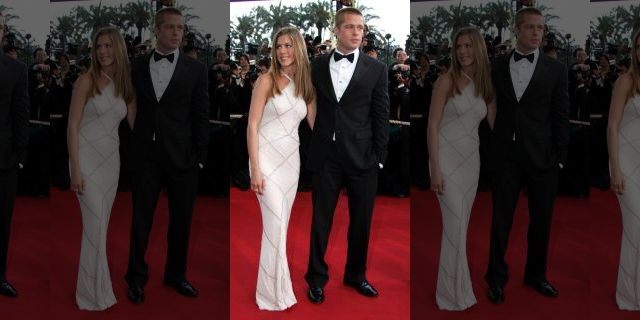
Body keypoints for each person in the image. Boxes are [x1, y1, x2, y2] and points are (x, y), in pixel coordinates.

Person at [304, 7, 389, 304]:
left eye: (361, 28)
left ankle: (356, 275)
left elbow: (381, 113)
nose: (357, 33)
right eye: (350, 27)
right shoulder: (315, 65)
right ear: (337, 30)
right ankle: (316, 278)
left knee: (362, 222)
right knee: (320, 221)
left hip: (363, 157)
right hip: (326, 155)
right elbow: (306, 103)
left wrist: (379, 156)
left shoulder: (376, 69)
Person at [125, 7, 210, 303]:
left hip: (183, 157)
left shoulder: (196, 69)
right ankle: (135, 278)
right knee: (140, 220)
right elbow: (128, 103)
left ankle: (176, 275)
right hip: (145, 156)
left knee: (182, 222)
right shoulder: (136, 65)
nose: (177, 33)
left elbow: (202, 114)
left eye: (180, 28)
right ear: (157, 30)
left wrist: (199, 156)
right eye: (171, 27)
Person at [485, 7, 569, 304]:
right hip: (506, 156)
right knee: (500, 220)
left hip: (543, 158)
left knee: (541, 222)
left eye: (540, 28)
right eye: (530, 27)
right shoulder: (496, 65)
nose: (537, 33)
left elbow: (561, 114)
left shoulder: (556, 69)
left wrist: (559, 156)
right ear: (517, 30)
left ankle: (536, 275)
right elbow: (489, 104)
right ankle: (495, 278)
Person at [247, 26, 316, 311]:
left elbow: (318, 127)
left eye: (288, 45)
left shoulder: (307, 86)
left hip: (291, 163)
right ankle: (270, 293)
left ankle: (279, 289)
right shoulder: (266, 80)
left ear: (298, 48)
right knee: (274, 224)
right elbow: (251, 125)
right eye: (278, 46)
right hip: (265, 159)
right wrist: (255, 168)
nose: (283, 51)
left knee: (280, 228)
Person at [67, 27, 135, 310]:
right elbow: (72, 125)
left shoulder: (127, 85)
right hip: (85, 161)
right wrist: (75, 169)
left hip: (111, 163)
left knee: (100, 229)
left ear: (118, 48)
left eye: (108, 46)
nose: (103, 51)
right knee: (94, 226)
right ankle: (90, 294)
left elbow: (136, 126)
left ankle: (98, 290)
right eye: (98, 47)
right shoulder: (86, 80)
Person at [427, 26, 495, 311]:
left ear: (478, 48)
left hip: (471, 162)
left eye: (468, 46)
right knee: (454, 225)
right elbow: (431, 125)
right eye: (459, 47)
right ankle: (449, 293)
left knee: (460, 228)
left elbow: (497, 126)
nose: (463, 51)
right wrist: (436, 169)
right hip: (445, 161)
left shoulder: (487, 86)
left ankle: (458, 289)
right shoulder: (446, 80)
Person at [607, 30, 640, 311]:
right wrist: (615, 168)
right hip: (626, 162)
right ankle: (630, 295)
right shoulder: (627, 81)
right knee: (635, 227)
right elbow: (613, 126)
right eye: (639, 46)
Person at [0, 11, 29, 298]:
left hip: (4, 159)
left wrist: (19, 156)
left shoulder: (16, 69)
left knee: (3, 221)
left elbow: (21, 115)